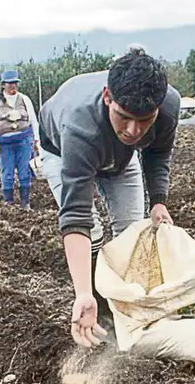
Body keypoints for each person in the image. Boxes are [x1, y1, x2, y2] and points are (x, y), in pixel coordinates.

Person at [38, 47, 180, 348]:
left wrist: (158, 200)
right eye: (125, 117)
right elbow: (75, 215)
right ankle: (98, 306)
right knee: (95, 233)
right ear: (107, 97)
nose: (134, 130)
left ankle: (125, 309)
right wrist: (83, 293)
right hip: (61, 150)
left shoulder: (167, 105)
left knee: (131, 233)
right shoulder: (79, 126)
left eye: (145, 120)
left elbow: (158, 152)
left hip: (119, 157)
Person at [0, 69, 40, 208]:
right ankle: (9, 202)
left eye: (15, 83)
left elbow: (33, 120)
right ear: (3, 85)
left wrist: (36, 139)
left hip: (23, 141)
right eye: (9, 84)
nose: (13, 86)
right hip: (5, 144)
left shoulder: (24, 99)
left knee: (25, 172)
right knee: (7, 173)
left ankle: (25, 202)